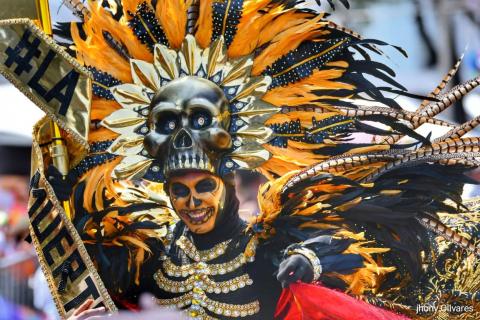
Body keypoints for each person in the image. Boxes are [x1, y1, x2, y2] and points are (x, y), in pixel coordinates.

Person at [17, 0, 480, 319]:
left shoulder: (271, 247)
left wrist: (313, 262)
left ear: (230, 173)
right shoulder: (149, 256)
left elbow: (345, 253)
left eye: (202, 188)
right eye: (179, 190)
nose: (190, 201)